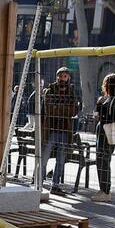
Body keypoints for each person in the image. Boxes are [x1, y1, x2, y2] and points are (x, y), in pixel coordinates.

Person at [38, 66, 79, 196]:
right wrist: (64, 108)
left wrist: (59, 108)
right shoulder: (50, 90)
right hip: (50, 129)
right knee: (44, 157)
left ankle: (55, 185)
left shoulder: (72, 91)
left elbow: (74, 110)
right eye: (60, 76)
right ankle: (38, 182)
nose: (62, 78)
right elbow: (49, 109)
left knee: (60, 160)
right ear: (57, 77)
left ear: (69, 77)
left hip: (65, 130)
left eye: (65, 76)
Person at [93, 72, 115, 201]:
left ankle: (106, 191)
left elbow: (114, 118)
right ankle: (103, 189)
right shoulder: (108, 99)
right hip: (104, 132)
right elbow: (98, 115)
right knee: (101, 160)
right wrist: (99, 106)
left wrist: (101, 114)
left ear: (107, 85)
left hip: (107, 133)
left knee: (104, 160)